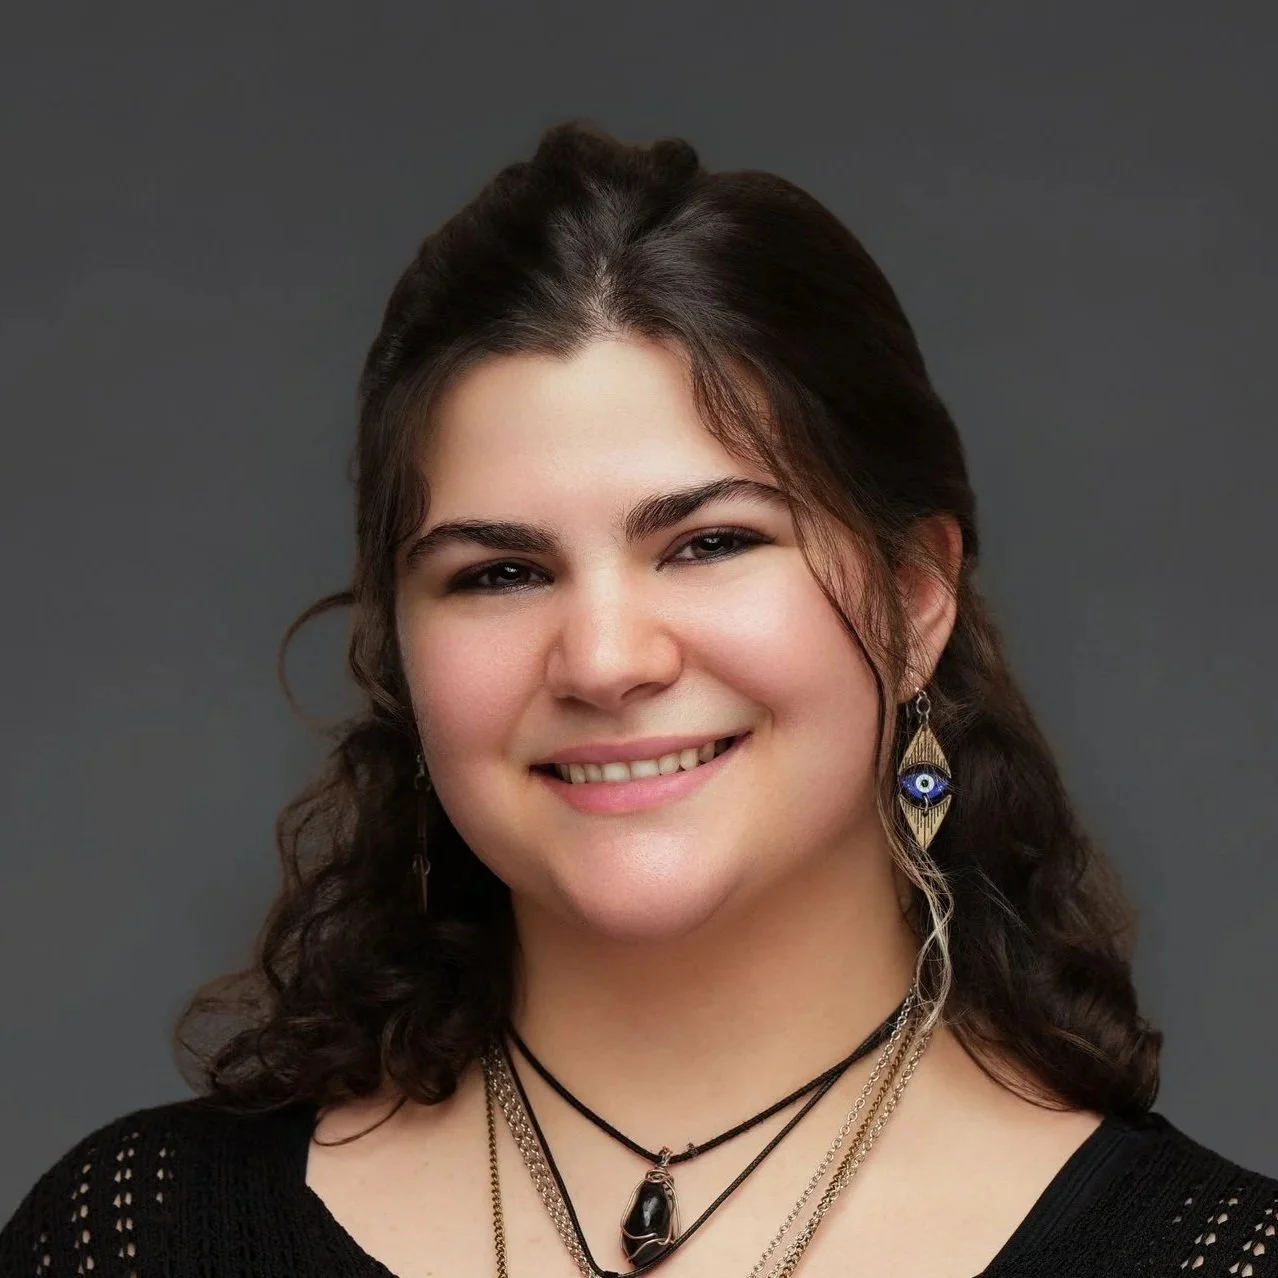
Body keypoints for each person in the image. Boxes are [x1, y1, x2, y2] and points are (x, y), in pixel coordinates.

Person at [2, 120, 1274, 1278]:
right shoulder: (140, 1235)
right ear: (402, 649)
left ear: (916, 599)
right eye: (499, 572)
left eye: (710, 542)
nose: (604, 660)